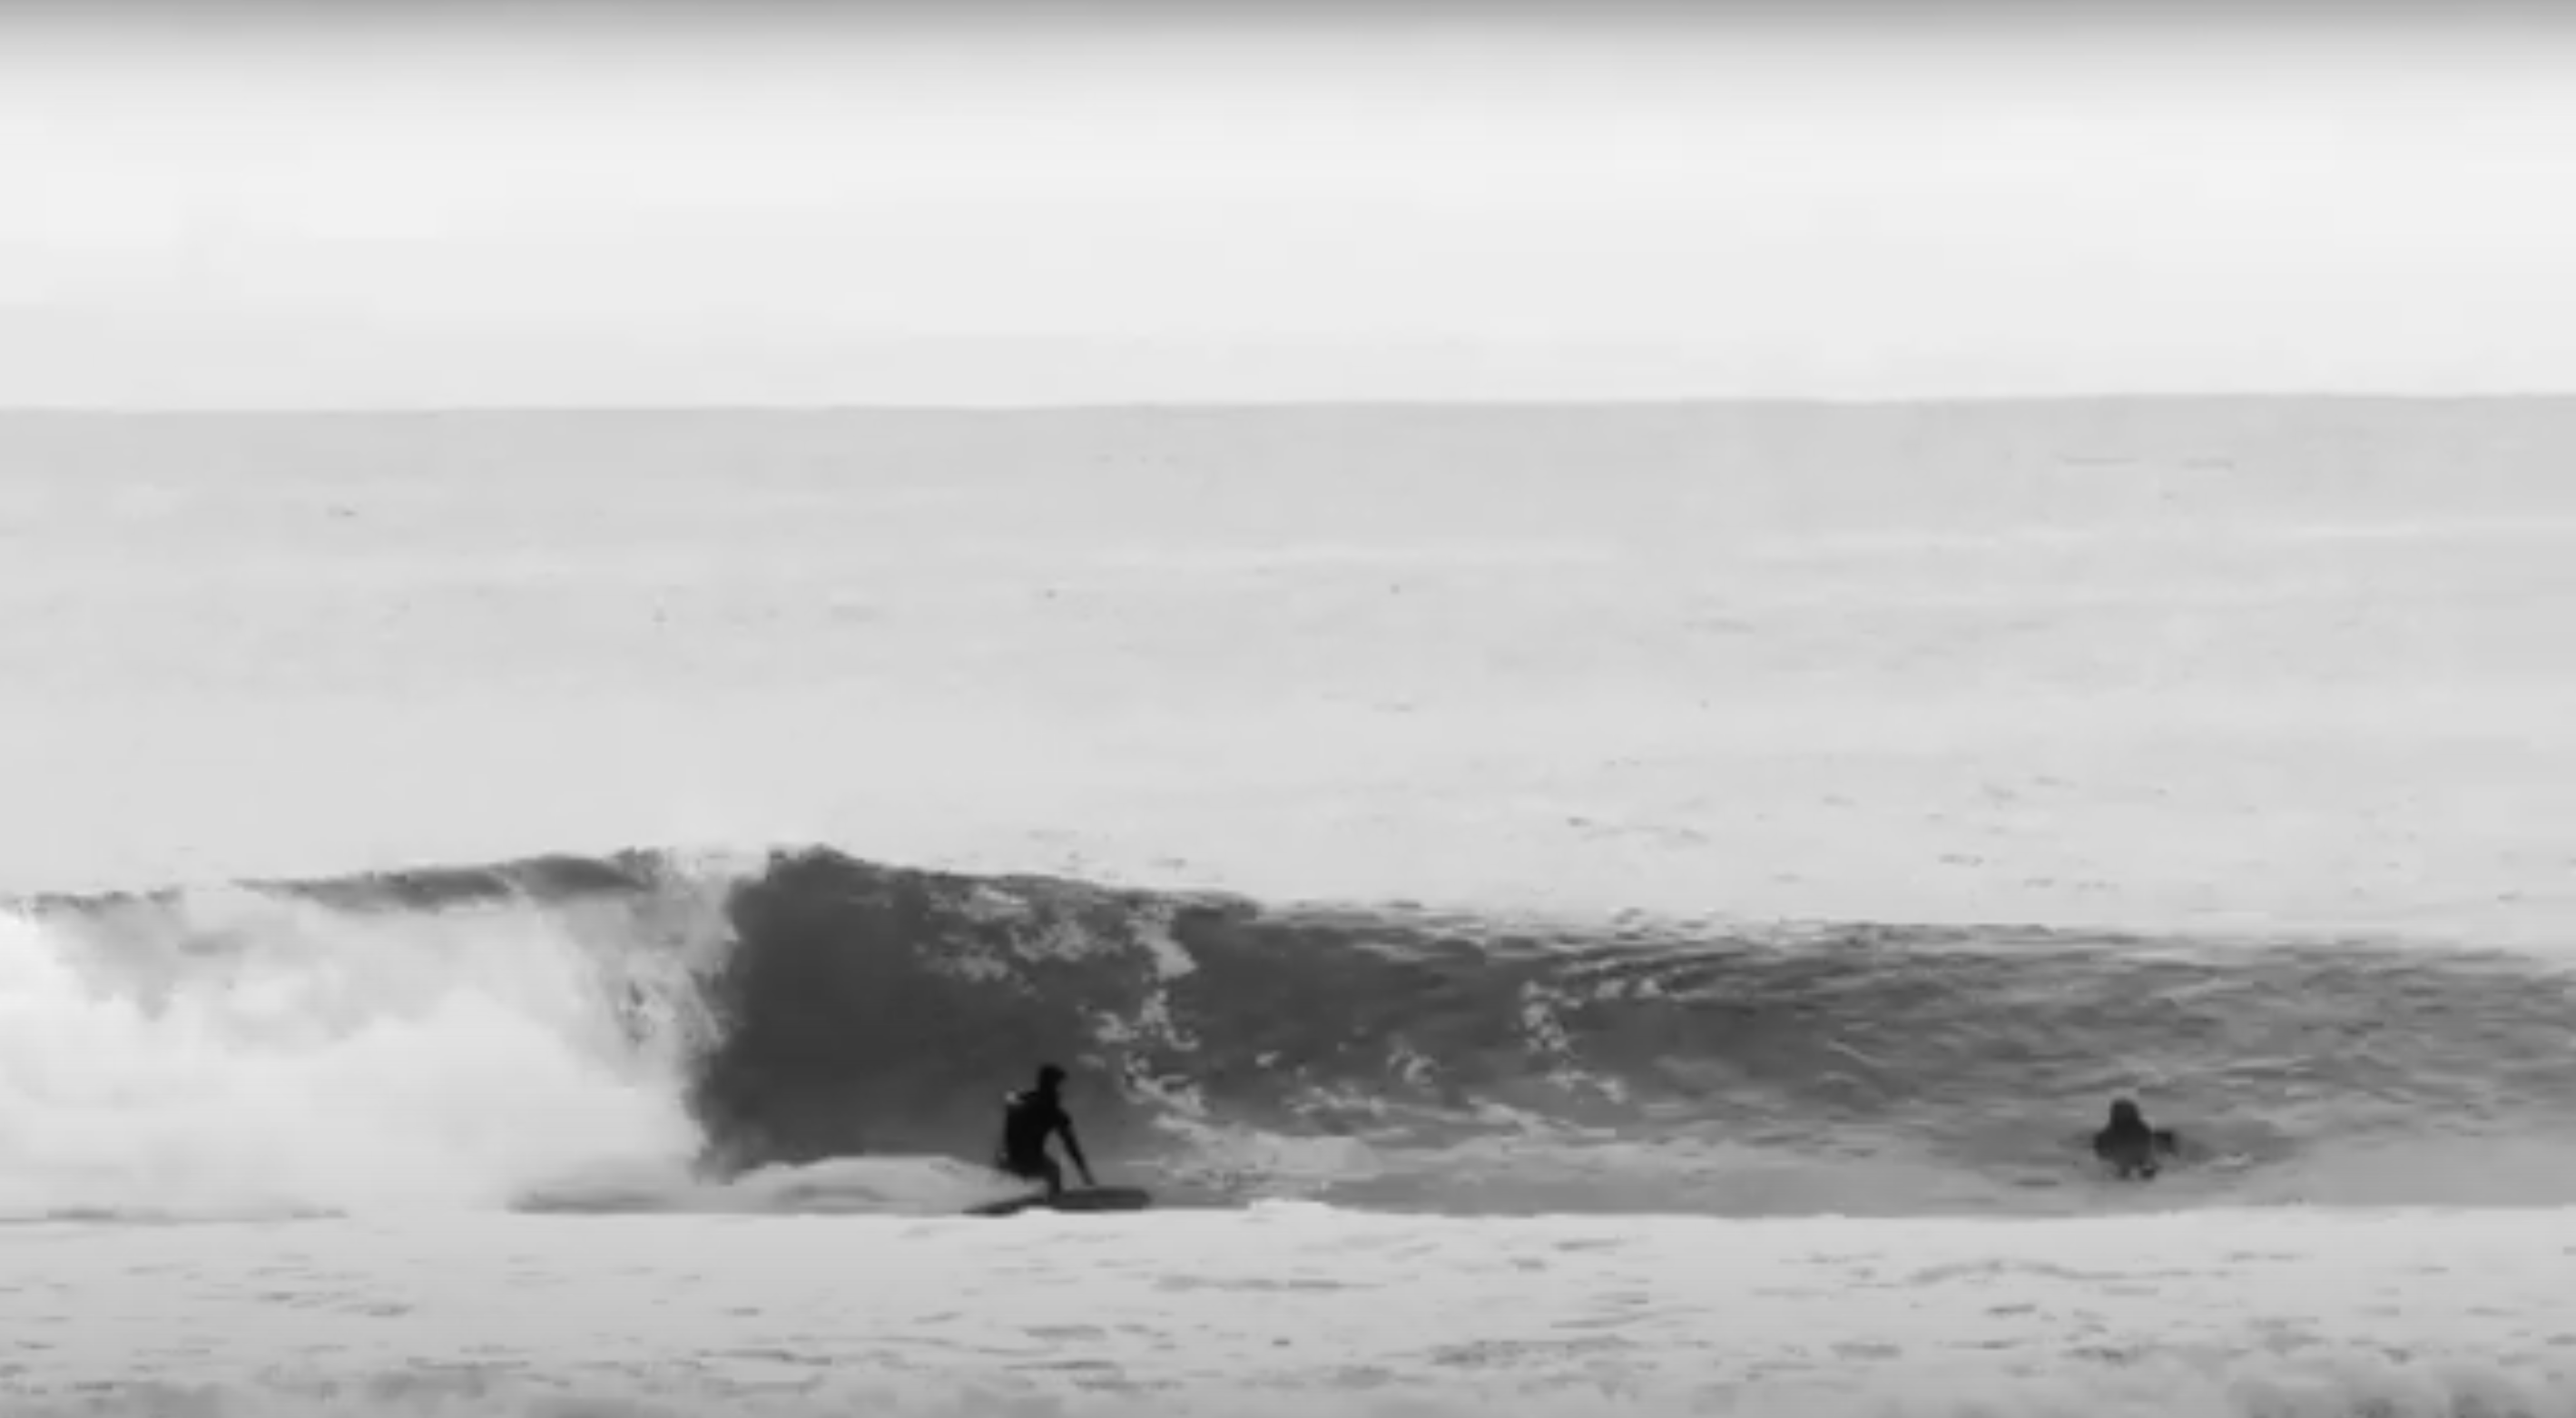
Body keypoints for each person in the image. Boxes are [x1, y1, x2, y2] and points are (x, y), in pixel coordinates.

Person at [994, 1064, 1095, 1198]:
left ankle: (1027, 1191)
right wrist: (1084, 1173)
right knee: (1054, 1171)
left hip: (1009, 1159)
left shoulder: (1027, 1100)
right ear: (1052, 1086)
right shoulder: (1054, 1113)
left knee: (1051, 1170)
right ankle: (1053, 1201)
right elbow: (1071, 1146)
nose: (1062, 1091)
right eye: (1060, 1086)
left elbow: (1011, 1104)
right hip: (1021, 1160)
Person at [2092, 1098, 2181, 1179]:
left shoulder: (2104, 1136)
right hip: (2134, 1156)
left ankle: (2136, 1169)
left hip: (2122, 1157)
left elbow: (2101, 1151)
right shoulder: (2142, 1130)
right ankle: (2143, 1167)